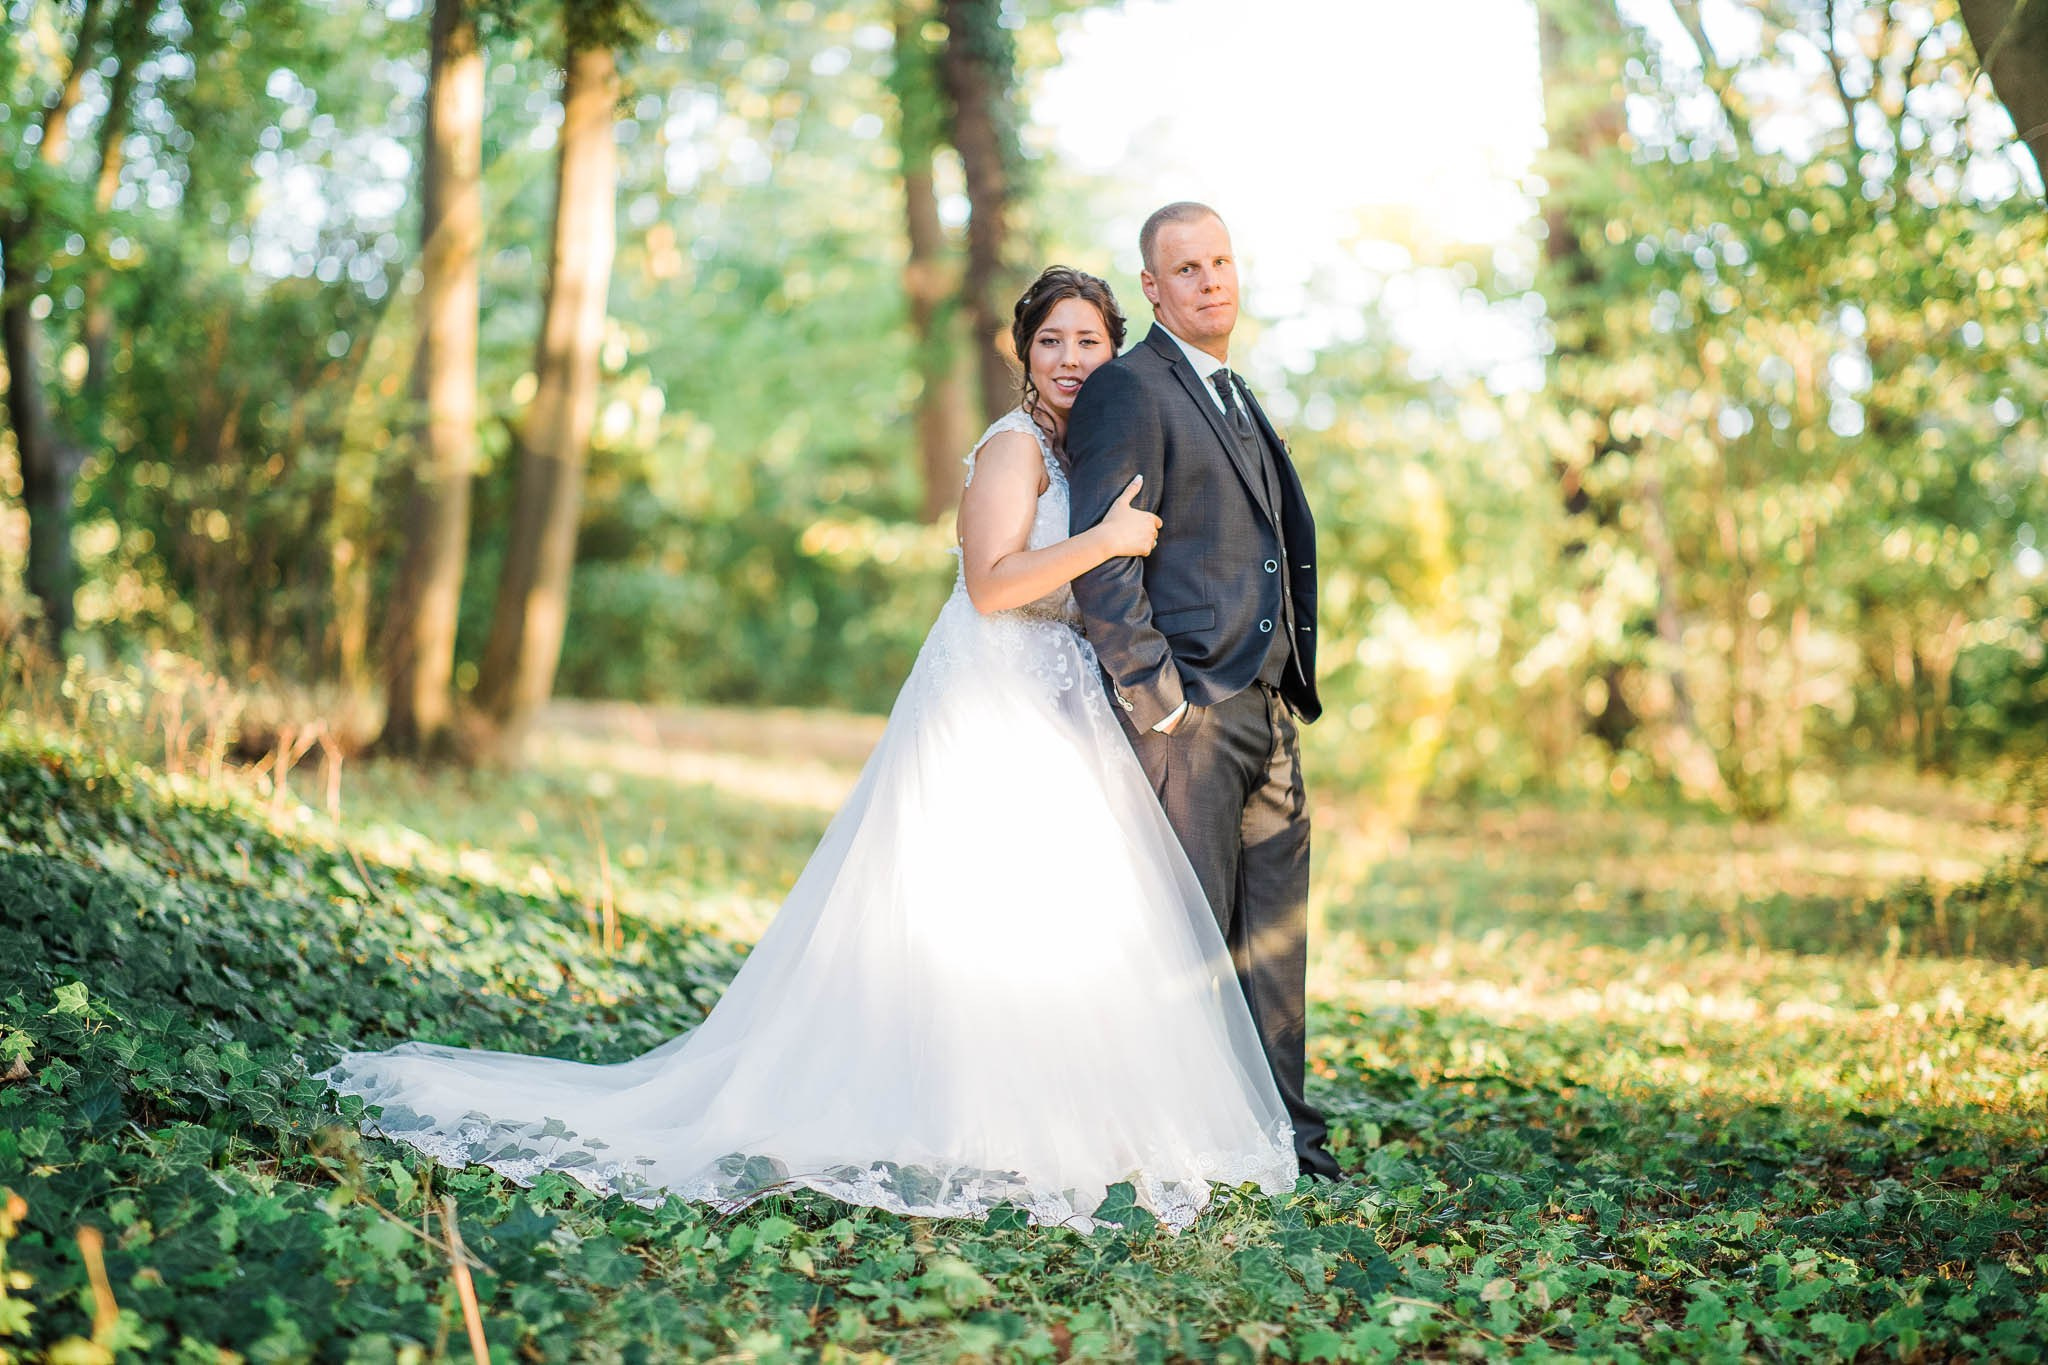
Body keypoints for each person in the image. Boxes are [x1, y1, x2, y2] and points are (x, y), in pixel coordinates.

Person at [320, 266, 1300, 1230]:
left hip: (1062, 701)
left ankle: (1075, 1118)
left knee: (1059, 911)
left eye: (1088, 341)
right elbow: (993, 588)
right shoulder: (1011, 449)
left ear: (1114, 349)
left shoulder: (1090, 446)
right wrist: (1106, 546)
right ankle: (959, 1117)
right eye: (1051, 340)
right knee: (970, 907)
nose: (1070, 358)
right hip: (990, 699)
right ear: (1021, 351)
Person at [1065, 203, 1340, 1180]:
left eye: (1219, 262)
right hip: (1188, 713)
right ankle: (1182, 1147)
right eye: (1184, 269)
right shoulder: (1127, 391)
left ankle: (1283, 1138)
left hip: (1268, 709)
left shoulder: (1232, 392)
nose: (1209, 281)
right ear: (1150, 287)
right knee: (1183, 942)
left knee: (1271, 937)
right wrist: (1158, 701)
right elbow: (1102, 558)